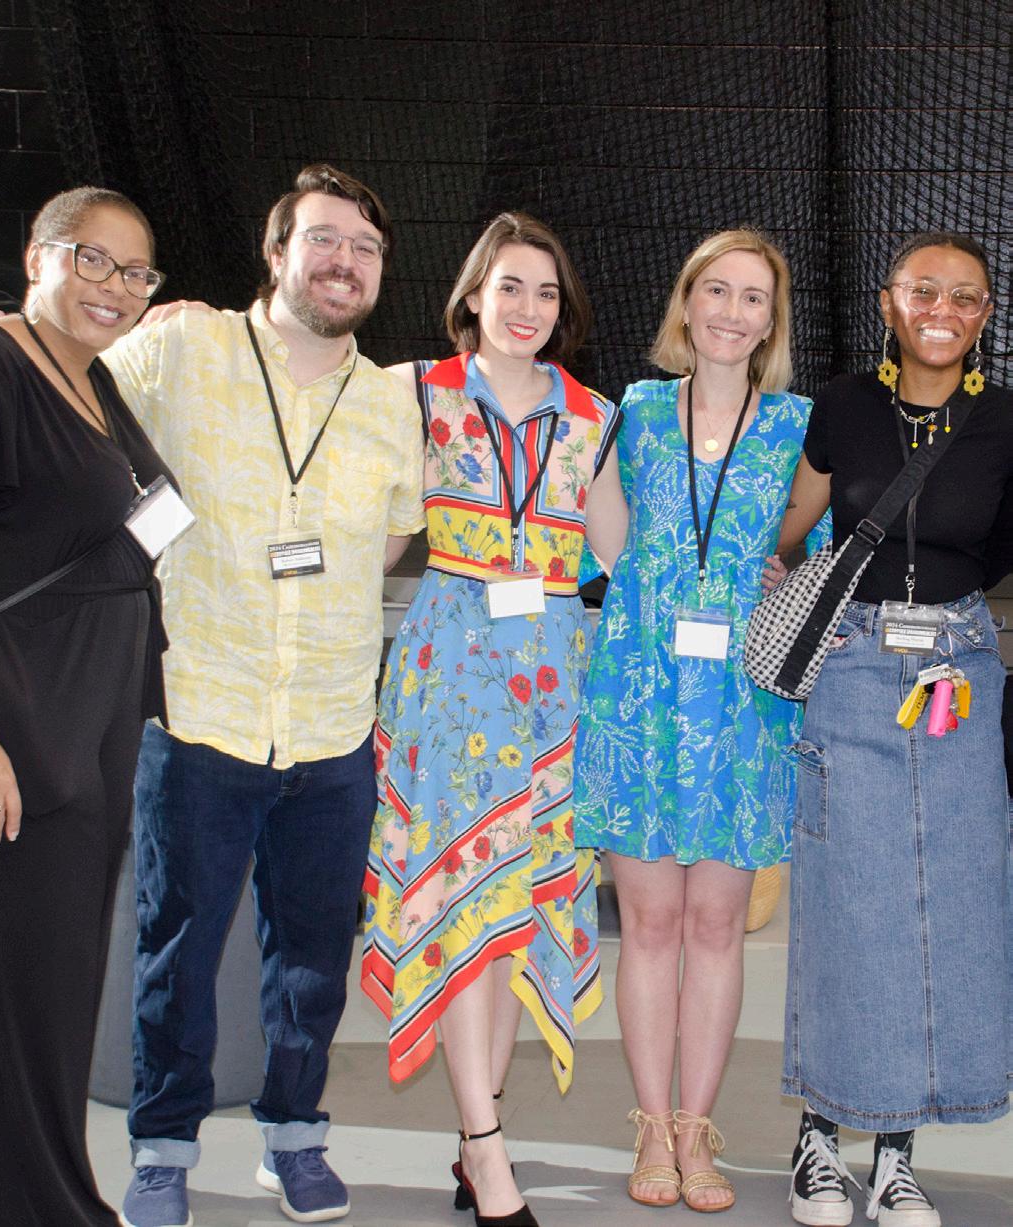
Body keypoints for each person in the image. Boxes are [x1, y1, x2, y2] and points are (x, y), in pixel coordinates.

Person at [104, 165, 426, 1227]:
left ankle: (295, 1136)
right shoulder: (182, 349)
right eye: (324, 239)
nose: (344, 262)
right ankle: (162, 1147)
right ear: (276, 251)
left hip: (333, 725)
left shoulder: (389, 402)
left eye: (365, 249)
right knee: (178, 950)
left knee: (312, 960)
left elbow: (393, 536)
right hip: (202, 708)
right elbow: (64, 391)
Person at [360, 212, 627, 1226]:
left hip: (551, 691)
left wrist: (748, 573)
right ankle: (486, 1146)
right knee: (460, 905)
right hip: (448, 683)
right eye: (510, 286)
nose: (528, 308)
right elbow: (373, 534)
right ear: (472, 293)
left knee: (511, 918)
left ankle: (483, 1136)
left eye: (547, 292)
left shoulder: (594, 415)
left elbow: (626, 557)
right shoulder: (413, 392)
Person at [574, 229, 816, 1212]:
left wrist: (790, 568)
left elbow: (820, 548)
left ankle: (696, 1132)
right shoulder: (630, 412)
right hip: (640, 698)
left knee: (717, 924)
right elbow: (603, 547)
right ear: (686, 302)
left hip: (743, 705)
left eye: (753, 297)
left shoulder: (800, 427)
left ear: (771, 322)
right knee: (649, 922)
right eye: (716, 290)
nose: (731, 311)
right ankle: (649, 1127)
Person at [775, 232, 1012, 1227]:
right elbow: (788, 529)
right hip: (852, 667)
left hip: (958, 672)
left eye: (965, 296)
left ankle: (897, 1157)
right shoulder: (841, 406)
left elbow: (998, 553)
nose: (942, 309)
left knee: (947, 911)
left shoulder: (1003, 420)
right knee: (848, 901)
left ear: (985, 315)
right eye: (924, 289)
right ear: (888, 301)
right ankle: (819, 1141)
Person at [0, 187, 172, 1227]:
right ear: (37, 255)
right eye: (91, 260)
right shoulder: (2, 366)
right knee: (26, 987)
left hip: (95, 716)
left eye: (135, 272)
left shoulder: (92, 376)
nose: (114, 287)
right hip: (24, 717)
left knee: (54, 986)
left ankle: (48, 1192)